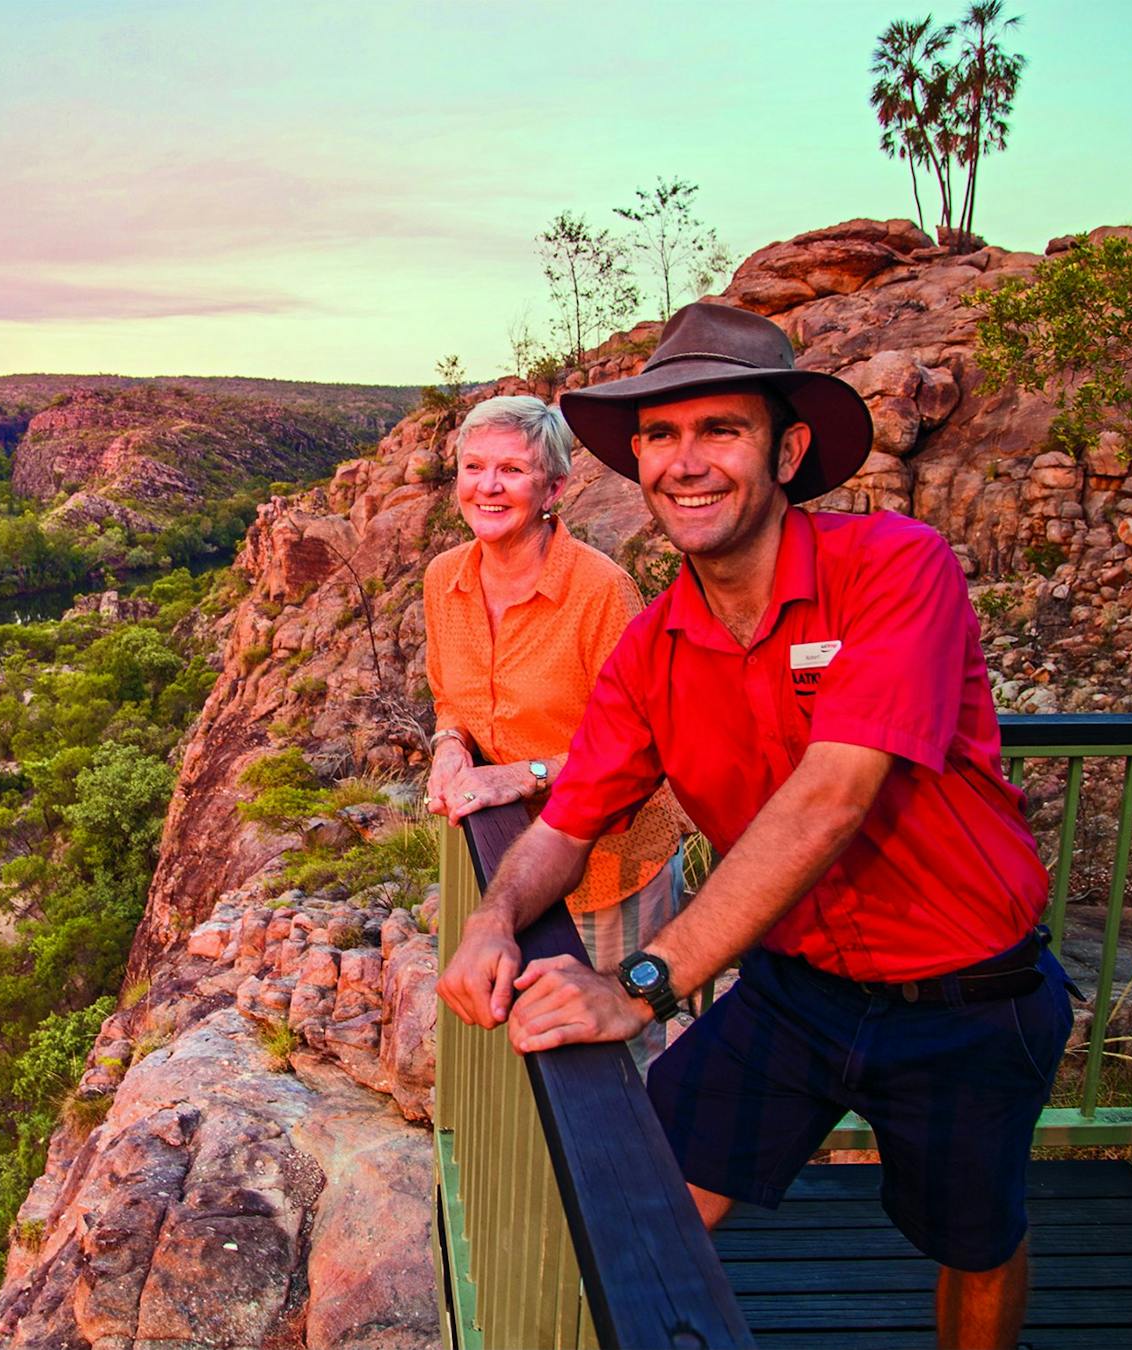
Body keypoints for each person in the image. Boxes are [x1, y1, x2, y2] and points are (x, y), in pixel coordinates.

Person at [435, 303, 1073, 1350]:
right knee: (646, 1201)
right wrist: (495, 916)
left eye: (719, 430)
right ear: (637, 460)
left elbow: (832, 796)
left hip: (970, 994)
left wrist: (638, 985)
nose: (687, 463)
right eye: (660, 436)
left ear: (787, 449)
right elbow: (571, 816)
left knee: (976, 1244)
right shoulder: (655, 650)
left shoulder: (894, 568)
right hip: (796, 990)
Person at [423, 394, 684, 1069]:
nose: (488, 485)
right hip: (515, 864)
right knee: (534, 1031)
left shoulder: (600, 592)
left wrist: (523, 774)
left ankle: (638, 1174)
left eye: (511, 469)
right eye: (473, 466)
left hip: (611, 864)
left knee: (621, 1053)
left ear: (554, 488)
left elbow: (647, 745)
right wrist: (450, 748)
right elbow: (450, 694)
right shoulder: (443, 578)